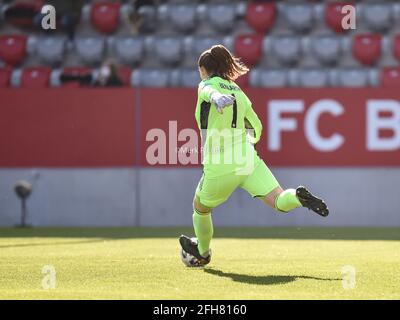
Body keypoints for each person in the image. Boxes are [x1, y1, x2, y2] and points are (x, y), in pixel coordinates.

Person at [179, 45, 329, 267]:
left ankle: (203, 252)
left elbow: (207, 92)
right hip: (247, 158)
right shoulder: (239, 93)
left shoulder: (207, 84)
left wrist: (217, 98)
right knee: (279, 200)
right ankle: (298, 197)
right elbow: (257, 128)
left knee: (200, 207)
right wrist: (245, 143)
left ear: (203, 69)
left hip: (220, 161)